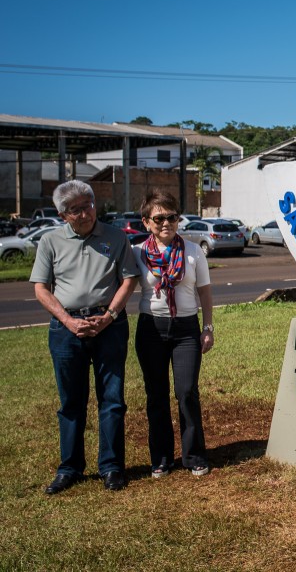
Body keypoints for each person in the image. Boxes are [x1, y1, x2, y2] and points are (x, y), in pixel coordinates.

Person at [30, 180, 140, 494]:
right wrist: (67, 320)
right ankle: (70, 468)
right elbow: (41, 288)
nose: (84, 214)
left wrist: (110, 316)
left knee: (112, 399)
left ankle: (112, 467)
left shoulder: (116, 237)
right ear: (63, 215)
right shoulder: (50, 241)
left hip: (109, 326)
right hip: (66, 329)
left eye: (88, 205)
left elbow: (129, 279)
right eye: (75, 209)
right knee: (71, 402)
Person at [133, 191, 215, 478]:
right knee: (156, 394)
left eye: (172, 217)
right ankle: (161, 458)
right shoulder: (137, 253)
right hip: (151, 329)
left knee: (186, 392)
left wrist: (208, 328)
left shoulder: (193, 252)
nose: (166, 223)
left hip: (186, 330)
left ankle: (194, 455)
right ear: (146, 222)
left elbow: (205, 292)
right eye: (159, 218)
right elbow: (122, 285)